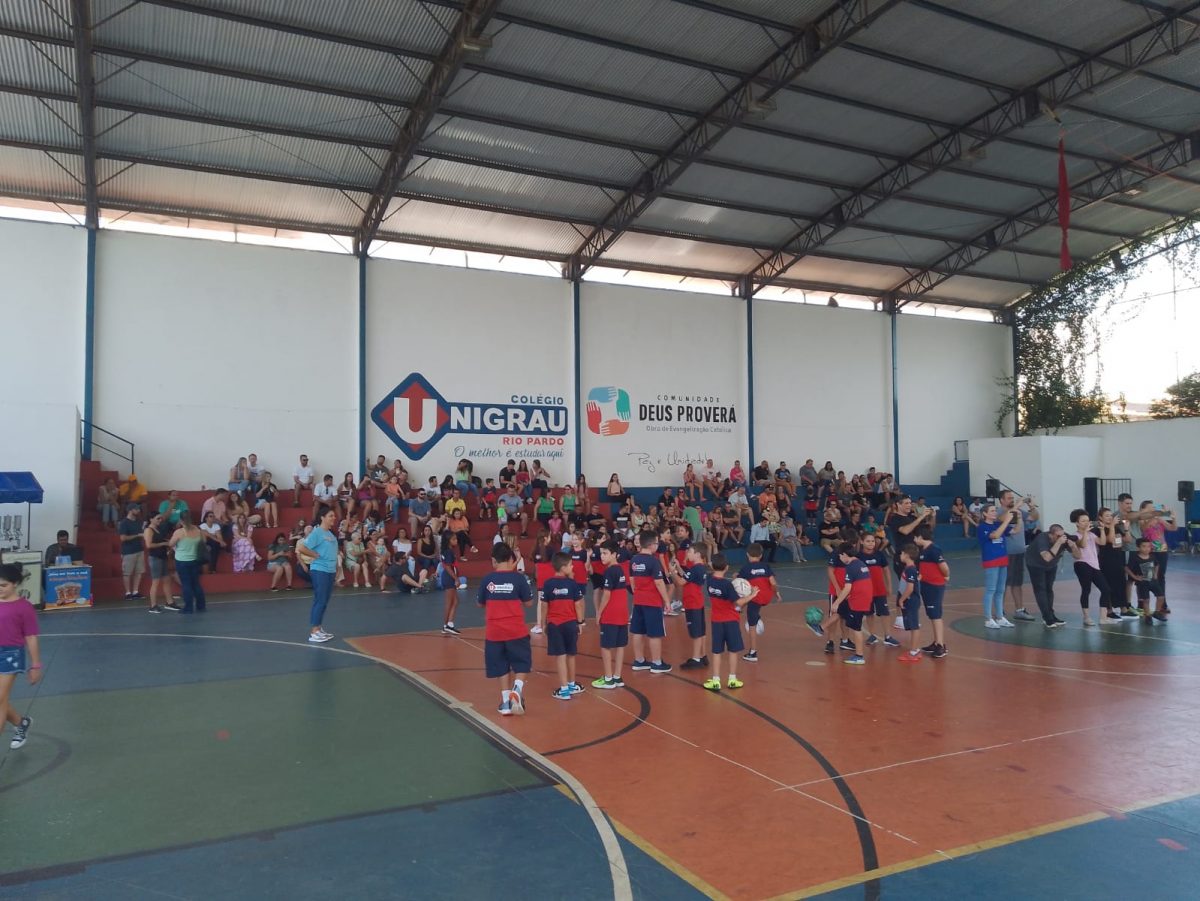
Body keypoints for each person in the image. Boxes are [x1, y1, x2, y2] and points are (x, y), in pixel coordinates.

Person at [478, 543, 532, 716]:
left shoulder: (487, 580)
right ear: (511, 559)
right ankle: (518, 688)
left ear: (493, 560)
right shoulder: (519, 579)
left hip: (494, 632)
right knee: (522, 662)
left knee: (501, 665)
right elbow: (529, 603)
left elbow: (480, 603)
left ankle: (506, 702)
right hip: (516, 630)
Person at [0, 563, 41, 750]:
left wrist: (35, 665)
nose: (0, 589)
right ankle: (21, 723)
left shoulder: (24, 607)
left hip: (11, 654)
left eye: (3, 585)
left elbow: (31, 637)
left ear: (15, 583)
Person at [537, 552, 586, 701]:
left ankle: (564, 689)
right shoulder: (572, 584)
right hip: (570, 624)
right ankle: (571, 684)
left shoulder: (548, 584)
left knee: (561, 656)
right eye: (570, 565)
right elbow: (578, 605)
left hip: (555, 625)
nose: (572, 567)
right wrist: (580, 622)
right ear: (563, 567)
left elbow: (544, 606)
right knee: (571, 654)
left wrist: (543, 623)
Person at [703, 553, 753, 690]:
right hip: (731, 620)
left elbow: (713, 573)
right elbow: (739, 602)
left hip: (716, 621)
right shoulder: (727, 585)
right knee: (733, 651)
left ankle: (716, 680)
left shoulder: (710, 580)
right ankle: (732, 679)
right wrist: (752, 594)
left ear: (712, 566)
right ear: (727, 567)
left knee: (717, 651)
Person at [628, 531, 672, 674]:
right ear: (652, 545)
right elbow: (659, 582)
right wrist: (667, 601)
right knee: (655, 633)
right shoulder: (654, 561)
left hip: (638, 600)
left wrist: (637, 592)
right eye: (657, 543)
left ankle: (639, 660)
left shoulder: (634, 560)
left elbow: (632, 580)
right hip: (652, 601)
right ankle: (656, 663)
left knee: (638, 631)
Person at [297, 505, 339, 642]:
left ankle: (319, 628)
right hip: (320, 570)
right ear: (322, 518)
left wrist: (336, 569)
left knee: (324, 600)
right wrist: (314, 555)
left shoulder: (331, 535)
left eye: (334, 516)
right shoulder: (317, 533)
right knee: (320, 600)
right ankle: (314, 632)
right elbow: (301, 547)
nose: (333, 518)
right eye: (330, 516)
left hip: (330, 571)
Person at [1069, 509, 1117, 625]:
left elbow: (1102, 542)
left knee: (1106, 589)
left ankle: (1103, 617)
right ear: (1077, 523)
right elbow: (1083, 544)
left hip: (1095, 565)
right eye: (1083, 521)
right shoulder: (1075, 536)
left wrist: (1102, 530)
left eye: (1087, 520)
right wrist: (1085, 532)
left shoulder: (1092, 534)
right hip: (1082, 564)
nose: (1086, 523)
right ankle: (1086, 617)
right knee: (1086, 590)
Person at [1000, 491, 1040, 622]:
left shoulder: (1019, 512)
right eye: (1009, 498)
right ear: (1001, 500)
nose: (1012, 500)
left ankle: (1019, 610)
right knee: (1003, 583)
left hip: (1019, 553)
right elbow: (1003, 518)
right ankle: (1000, 611)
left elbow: (1034, 517)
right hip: (1006, 553)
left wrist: (1032, 506)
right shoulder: (999, 512)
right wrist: (1017, 505)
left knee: (1017, 583)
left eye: (1013, 498)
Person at [670, 544, 709, 670]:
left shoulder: (695, 569)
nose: (688, 554)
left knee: (696, 632)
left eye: (690, 552)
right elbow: (687, 577)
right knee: (701, 631)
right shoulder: (700, 568)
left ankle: (696, 659)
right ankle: (703, 655)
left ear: (698, 554)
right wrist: (679, 567)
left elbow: (681, 582)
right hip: (698, 602)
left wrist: (672, 572)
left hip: (692, 603)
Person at [1025, 524, 1072, 628]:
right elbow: (1046, 557)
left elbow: (1077, 552)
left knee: (1049, 589)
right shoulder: (1042, 538)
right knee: (1040, 589)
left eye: (1062, 535)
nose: (1060, 538)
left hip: (1051, 565)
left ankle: (1051, 615)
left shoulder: (1064, 537)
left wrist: (1074, 544)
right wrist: (1059, 543)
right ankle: (1047, 618)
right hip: (1035, 564)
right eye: (1057, 536)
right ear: (1050, 535)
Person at [737, 543, 777, 663]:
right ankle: (743, 609)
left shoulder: (746, 568)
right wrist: (776, 593)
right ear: (761, 555)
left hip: (755, 599)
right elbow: (773, 583)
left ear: (747, 555)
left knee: (751, 625)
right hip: (767, 597)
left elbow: (739, 582)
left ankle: (753, 652)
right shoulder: (766, 566)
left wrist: (735, 577)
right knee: (750, 591)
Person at [977, 503, 1015, 628]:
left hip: (1002, 559)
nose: (995, 513)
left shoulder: (998, 524)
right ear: (985, 513)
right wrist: (1007, 521)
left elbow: (1015, 530)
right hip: (991, 560)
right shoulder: (982, 527)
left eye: (995, 510)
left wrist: (1019, 519)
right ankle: (988, 618)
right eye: (992, 511)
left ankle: (1000, 617)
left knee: (1000, 590)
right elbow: (995, 535)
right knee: (991, 589)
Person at [858, 532, 897, 648]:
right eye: (868, 541)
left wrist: (889, 586)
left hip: (880, 589)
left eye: (873, 541)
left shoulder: (879, 555)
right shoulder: (858, 557)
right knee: (869, 613)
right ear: (862, 542)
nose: (871, 543)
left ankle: (888, 636)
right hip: (866, 591)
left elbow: (886, 571)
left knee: (885, 612)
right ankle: (872, 635)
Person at [914, 528, 949, 657]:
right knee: (932, 614)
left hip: (935, 586)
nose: (914, 540)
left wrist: (946, 576)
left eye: (915, 537)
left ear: (920, 537)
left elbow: (944, 567)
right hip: (926, 585)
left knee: (936, 615)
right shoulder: (923, 550)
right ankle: (936, 642)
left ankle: (941, 645)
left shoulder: (934, 550)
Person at [169, 512, 207, 614]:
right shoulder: (197, 530)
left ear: (181, 520)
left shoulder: (179, 532)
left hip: (182, 561)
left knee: (186, 584)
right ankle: (201, 605)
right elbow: (204, 541)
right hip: (195, 560)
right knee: (196, 583)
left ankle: (188, 607)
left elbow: (171, 544)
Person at [1127, 537, 1169, 622]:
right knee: (1146, 600)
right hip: (1143, 583)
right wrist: (1134, 577)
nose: (1147, 549)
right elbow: (1126, 568)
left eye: (1148, 546)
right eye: (1144, 546)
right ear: (1138, 548)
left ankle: (1157, 612)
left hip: (1153, 581)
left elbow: (1157, 565)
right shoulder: (1135, 558)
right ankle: (1148, 615)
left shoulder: (1152, 556)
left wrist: (1155, 574)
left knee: (1161, 596)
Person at [895, 544, 923, 662]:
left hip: (911, 601)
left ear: (906, 555)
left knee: (914, 626)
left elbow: (910, 588)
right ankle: (914, 649)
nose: (900, 555)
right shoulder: (909, 568)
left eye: (902, 553)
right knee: (912, 626)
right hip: (909, 601)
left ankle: (914, 651)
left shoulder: (910, 569)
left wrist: (902, 599)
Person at [118, 505, 146, 600]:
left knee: (139, 571)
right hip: (128, 551)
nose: (138, 510)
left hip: (139, 549)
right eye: (136, 509)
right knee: (127, 572)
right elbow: (123, 538)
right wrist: (137, 535)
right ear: (130, 510)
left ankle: (135, 591)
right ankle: (128, 592)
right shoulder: (124, 523)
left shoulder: (138, 521)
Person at [436, 542, 461, 634]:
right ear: (448, 540)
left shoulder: (447, 551)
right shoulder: (449, 552)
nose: (456, 540)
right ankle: (446, 625)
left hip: (449, 578)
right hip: (449, 578)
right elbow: (447, 567)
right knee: (449, 602)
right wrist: (456, 579)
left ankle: (449, 624)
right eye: (454, 539)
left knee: (455, 601)